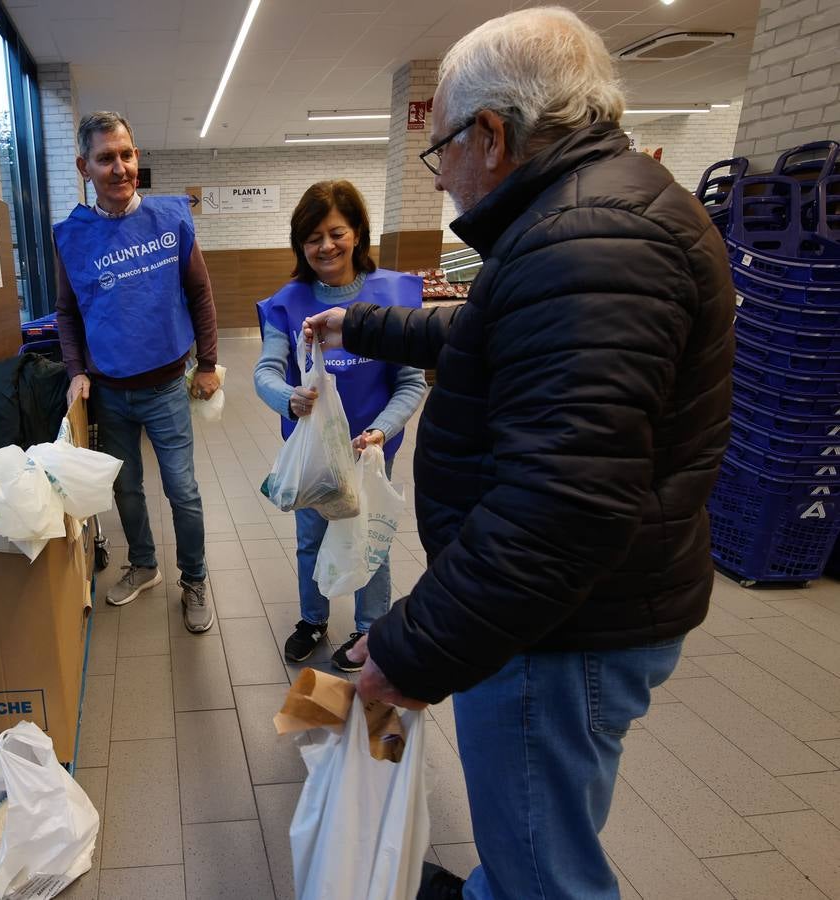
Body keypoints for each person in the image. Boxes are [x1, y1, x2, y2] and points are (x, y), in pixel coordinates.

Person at [302, 9, 733, 900]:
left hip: (561, 630)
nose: (444, 175)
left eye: (440, 150)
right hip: (581, 607)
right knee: (532, 844)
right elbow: (508, 332)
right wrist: (370, 324)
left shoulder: (585, 240)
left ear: (490, 136)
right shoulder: (595, 215)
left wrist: (409, 649)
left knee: (549, 871)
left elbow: (559, 510)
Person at [54, 111, 221, 633]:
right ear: (85, 167)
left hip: (168, 386)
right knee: (125, 489)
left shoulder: (171, 220)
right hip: (108, 391)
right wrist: (76, 371)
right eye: (106, 158)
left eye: (126, 154)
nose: (119, 167)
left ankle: (193, 578)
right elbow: (67, 313)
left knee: (182, 490)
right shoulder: (72, 238)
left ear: (136, 157)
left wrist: (210, 363)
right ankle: (144, 564)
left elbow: (199, 293)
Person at [254, 180, 426, 671]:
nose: (325, 247)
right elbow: (266, 370)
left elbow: (411, 383)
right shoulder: (287, 304)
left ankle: (371, 630)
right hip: (314, 458)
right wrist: (288, 397)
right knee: (311, 539)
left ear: (358, 233)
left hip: (370, 451)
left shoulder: (392, 296)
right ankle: (312, 619)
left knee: (370, 538)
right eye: (312, 238)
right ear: (299, 244)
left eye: (336, 233)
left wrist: (381, 431)